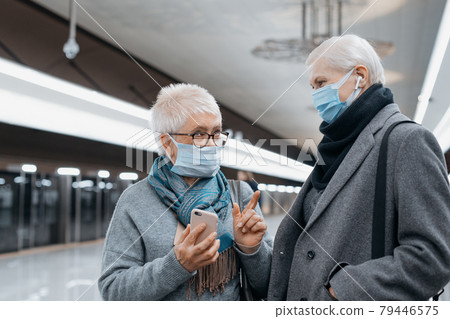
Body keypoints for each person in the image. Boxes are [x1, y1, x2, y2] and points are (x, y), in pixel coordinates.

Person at [267, 34, 450, 301]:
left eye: (321, 83)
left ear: (360, 76)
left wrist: (343, 289)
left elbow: (434, 254)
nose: (315, 95)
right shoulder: (338, 146)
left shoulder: (406, 141)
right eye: (313, 86)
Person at [98, 83, 272, 300]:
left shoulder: (239, 194)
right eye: (198, 134)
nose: (211, 144)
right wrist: (177, 266)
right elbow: (112, 289)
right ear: (167, 143)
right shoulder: (135, 201)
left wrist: (252, 250)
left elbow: (270, 285)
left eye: (216, 133)